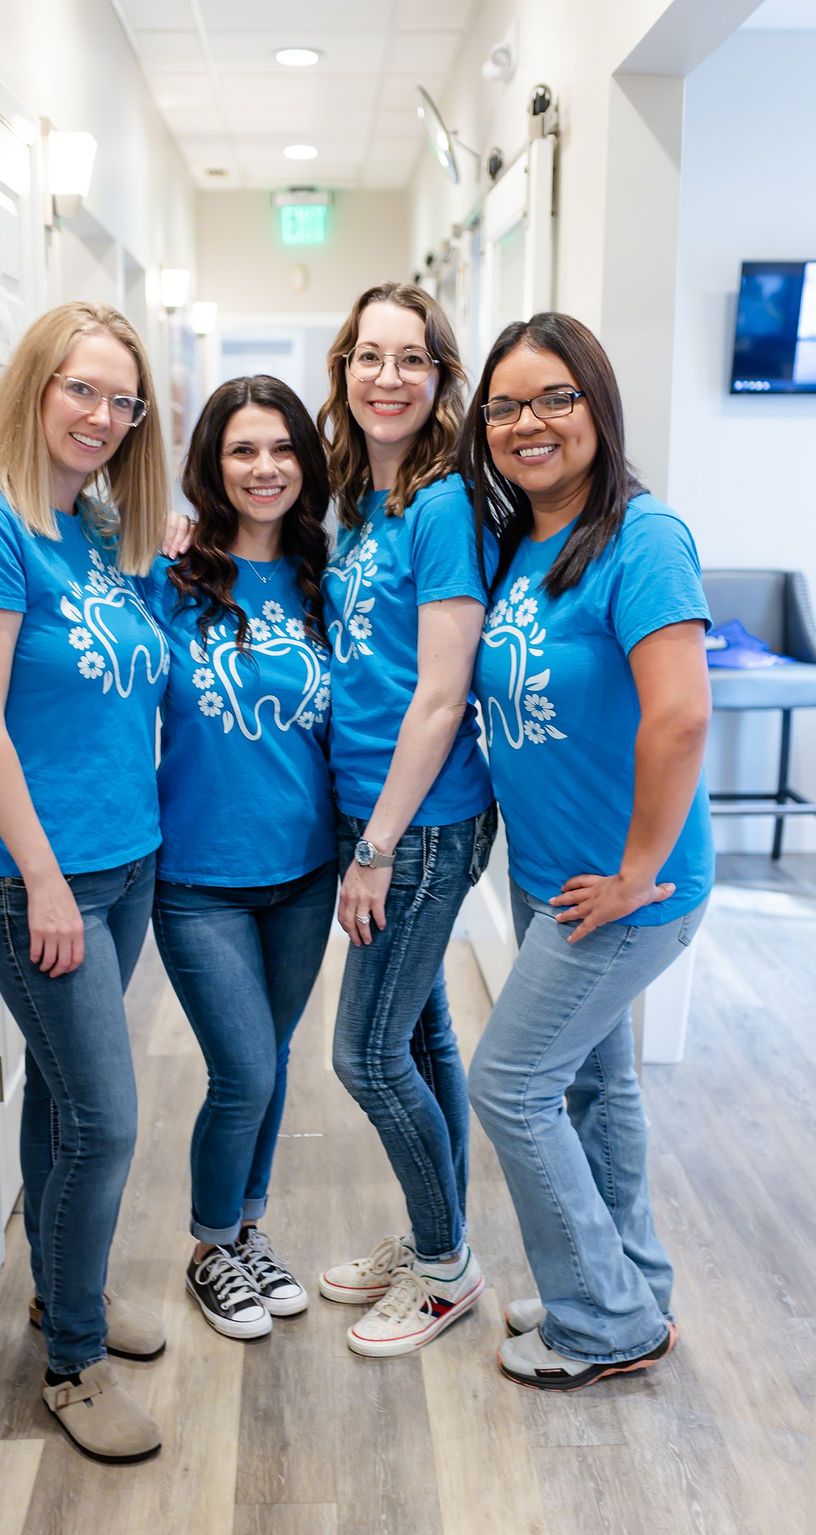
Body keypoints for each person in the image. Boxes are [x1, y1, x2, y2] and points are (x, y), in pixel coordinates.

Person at [458, 312, 713, 1391]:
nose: (529, 422)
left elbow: (681, 717)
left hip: (623, 891)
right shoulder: (523, 540)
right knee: (594, 1086)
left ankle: (600, 1319)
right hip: (553, 880)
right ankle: (626, 1284)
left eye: (555, 397)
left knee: (510, 1084)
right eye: (506, 405)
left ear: (596, 407)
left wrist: (636, 870)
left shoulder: (642, 538)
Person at [0, 302, 170, 1462]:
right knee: (109, 1120)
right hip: (40, 879)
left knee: (62, 1103)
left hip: (123, 865)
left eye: (123, 401)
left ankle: (53, 1291)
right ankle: (72, 1361)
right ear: (34, 384)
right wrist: (42, 878)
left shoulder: (94, 531)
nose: (103, 417)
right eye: (83, 389)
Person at [316, 282, 498, 1357]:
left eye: (412, 359)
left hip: (420, 822)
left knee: (367, 1055)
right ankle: (442, 1234)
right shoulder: (361, 500)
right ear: (345, 369)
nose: (388, 377)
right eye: (370, 356)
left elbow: (439, 694)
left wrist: (377, 847)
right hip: (375, 810)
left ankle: (442, 1267)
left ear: (440, 379)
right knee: (422, 1035)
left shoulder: (441, 505)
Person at [148, 376, 337, 1341]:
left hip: (305, 871)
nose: (264, 469)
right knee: (244, 1071)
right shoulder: (168, 575)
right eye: (242, 451)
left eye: (282, 450)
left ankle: (246, 1231)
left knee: (275, 1056)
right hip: (196, 879)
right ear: (213, 466)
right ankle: (207, 1248)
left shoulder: (325, 578)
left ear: (306, 462)